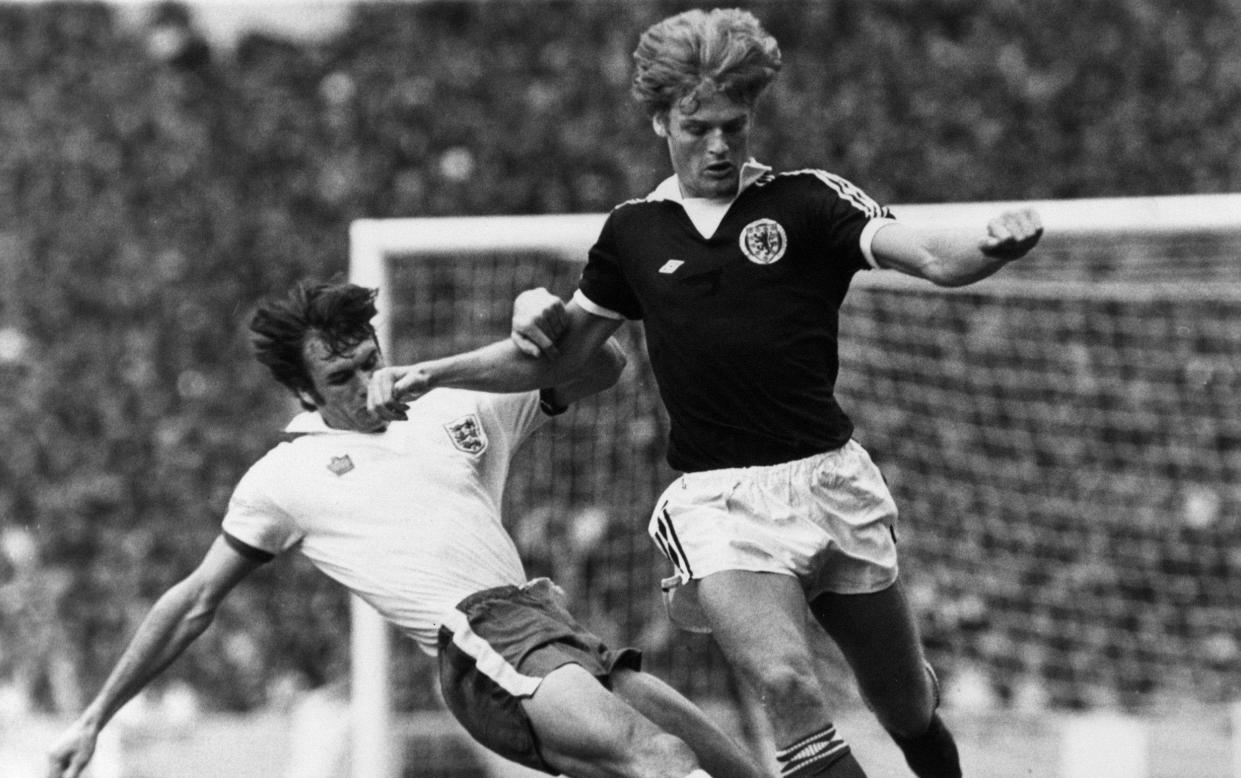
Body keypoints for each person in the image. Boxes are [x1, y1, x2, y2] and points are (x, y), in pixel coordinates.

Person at [366, 8, 1044, 778]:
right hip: (721, 503)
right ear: (659, 120)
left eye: (733, 124)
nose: (718, 144)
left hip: (831, 481)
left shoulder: (808, 201)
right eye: (697, 127)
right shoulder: (634, 231)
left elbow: (929, 256)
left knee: (904, 706)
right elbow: (561, 360)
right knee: (784, 684)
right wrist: (431, 372)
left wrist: (991, 246)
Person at [46, 280, 767, 778]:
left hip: (546, 623)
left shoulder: (454, 400)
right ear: (303, 392)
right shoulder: (282, 477)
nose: (368, 385)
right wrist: (95, 717)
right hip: (478, 640)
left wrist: (536, 317)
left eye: (371, 362)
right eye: (341, 379)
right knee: (660, 758)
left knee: (723, 757)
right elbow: (194, 600)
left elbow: (602, 366)